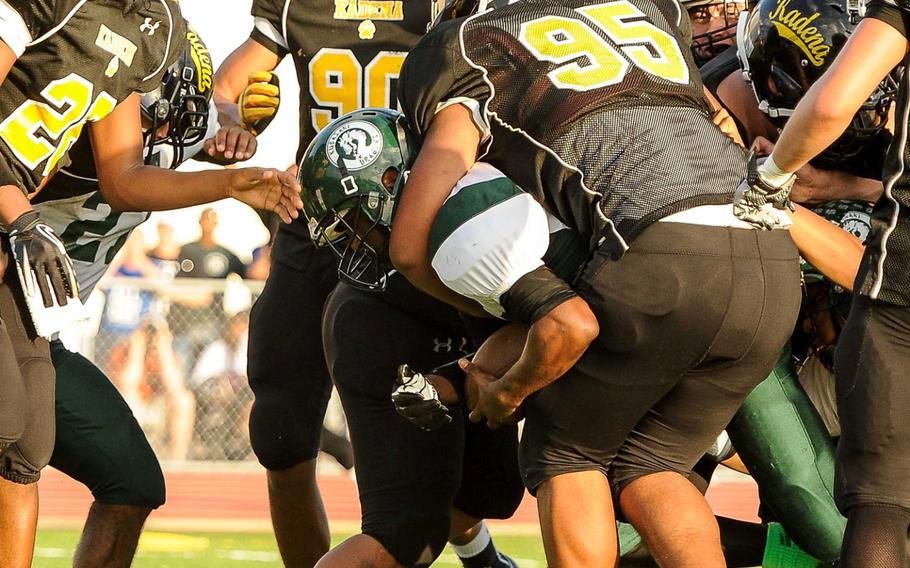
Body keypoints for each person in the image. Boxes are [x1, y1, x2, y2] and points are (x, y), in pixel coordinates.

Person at [386, 0, 804, 563]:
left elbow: (410, 247)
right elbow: (718, 125)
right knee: (652, 464)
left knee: (565, 454)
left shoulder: (470, 50)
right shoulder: (649, 14)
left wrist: (509, 320)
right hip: (771, 255)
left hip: (657, 253)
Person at [28, 24, 273, 567]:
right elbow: (126, 180)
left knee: (132, 481)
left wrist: (242, 128)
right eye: (149, 114)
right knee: (14, 465)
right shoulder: (77, 112)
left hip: (42, 342)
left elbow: (218, 126)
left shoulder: (176, 120)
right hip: (10, 321)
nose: (159, 131)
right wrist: (231, 179)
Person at [212, 0, 434, 564]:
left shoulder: (435, 7)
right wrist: (233, 121)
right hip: (316, 223)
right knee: (280, 428)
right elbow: (231, 82)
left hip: (409, 227)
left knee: (433, 432)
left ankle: (474, 547)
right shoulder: (295, 7)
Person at [733, 1, 910, 564]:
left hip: (878, 337)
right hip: (824, 368)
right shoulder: (732, 101)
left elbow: (868, 267)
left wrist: (778, 196)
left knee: (874, 507)